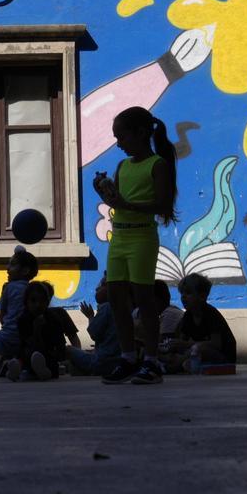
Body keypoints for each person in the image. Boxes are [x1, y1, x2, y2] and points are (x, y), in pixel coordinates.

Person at [92, 105, 179, 386]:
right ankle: (128, 357)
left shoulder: (158, 164)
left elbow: (163, 205)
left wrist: (127, 204)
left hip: (142, 237)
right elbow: (117, 200)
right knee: (116, 298)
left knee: (144, 299)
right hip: (119, 237)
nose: (119, 144)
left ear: (141, 133)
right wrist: (105, 192)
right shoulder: (122, 166)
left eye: (122, 137)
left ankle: (151, 362)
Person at [162, 273, 237, 371]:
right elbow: (182, 341)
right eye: (182, 293)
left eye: (188, 293)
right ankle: (177, 363)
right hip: (197, 354)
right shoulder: (188, 316)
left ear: (202, 296)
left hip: (223, 358)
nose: (183, 297)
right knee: (182, 353)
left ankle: (175, 365)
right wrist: (173, 346)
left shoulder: (211, 314)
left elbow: (216, 344)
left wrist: (187, 345)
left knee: (198, 348)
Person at [7, 281, 66, 381]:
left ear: (47, 302)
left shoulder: (53, 320)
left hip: (47, 355)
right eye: (33, 301)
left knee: (42, 357)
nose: (38, 305)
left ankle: (43, 371)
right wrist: (36, 330)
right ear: (26, 302)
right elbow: (28, 343)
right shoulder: (23, 320)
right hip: (28, 354)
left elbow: (60, 346)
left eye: (42, 301)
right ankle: (18, 369)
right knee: (25, 356)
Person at [0, 247, 39, 367]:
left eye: (12, 265)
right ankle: (18, 362)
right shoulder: (34, 289)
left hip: (8, 339)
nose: (7, 269)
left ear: (25, 270)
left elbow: (2, 317)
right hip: (28, 341)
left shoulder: (8, 288)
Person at [68, 281, 121, 377]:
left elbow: (94, 333)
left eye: (101, 286)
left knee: (68, 350)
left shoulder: (106, 307)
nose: (97, 289)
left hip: (104, 362)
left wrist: (90, 317)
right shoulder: (121, 307)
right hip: (118, 362)